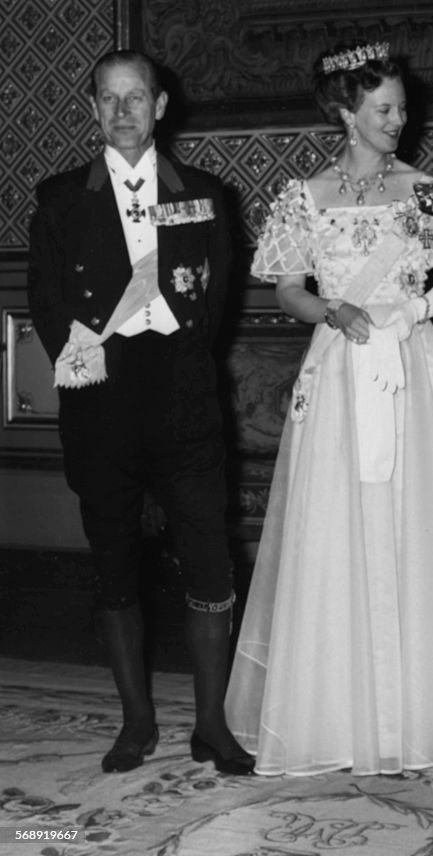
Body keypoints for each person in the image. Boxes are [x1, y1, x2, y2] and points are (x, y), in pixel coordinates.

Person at [224, 42, 433, 776]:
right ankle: (338, 712)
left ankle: (424, 709)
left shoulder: (429, 189)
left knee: (416, 525)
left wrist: (409, 309)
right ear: (347, 113)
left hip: (408, 365)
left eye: (403, 107)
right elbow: (288, 287)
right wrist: (332, 308)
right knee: (336, 528)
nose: (399, 120)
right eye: (384, 108)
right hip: (339, 366)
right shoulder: (304, 196)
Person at [27, 50, 254, 776]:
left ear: (161, 107)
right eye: (108, 98)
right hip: (101, 398)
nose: (122, 111)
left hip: (183, 398)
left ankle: (213, 727)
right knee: (114, 563)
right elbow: (49, 304)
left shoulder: (205, 194)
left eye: (136, 98)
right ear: (94, 108)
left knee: (210, 563)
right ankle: (136, 724)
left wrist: (176, 363)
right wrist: (96, 366)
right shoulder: (61, 198)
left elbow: (215, 309)